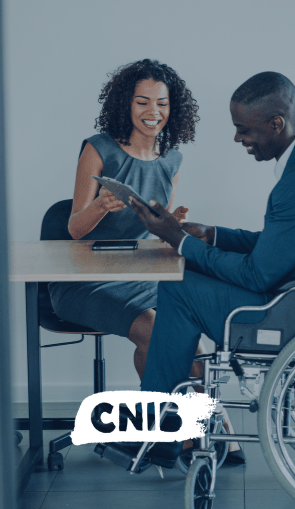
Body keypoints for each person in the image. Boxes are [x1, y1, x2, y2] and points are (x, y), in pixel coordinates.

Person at [129, 71, 295, 463]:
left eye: (244, 129)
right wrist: (212, 235)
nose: (239, 139)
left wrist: (180, 241)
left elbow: (258, 274)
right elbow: (285, 244)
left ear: (276, 123)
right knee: (187, 275)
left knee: (178, 287)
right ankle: (166, 429)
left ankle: (163, 431)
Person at [48, 59, 197, 380]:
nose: (152, 111)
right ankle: (168, 425)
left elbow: (156, 240)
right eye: (142, 102)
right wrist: (101, 205)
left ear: (174, 108)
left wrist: (172, 224)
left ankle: (198, 425)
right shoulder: (98, 149)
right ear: (125, 105)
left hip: (140, 275)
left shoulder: (173, 159)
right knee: (155, 331)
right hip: (85, 281)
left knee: (194, 343)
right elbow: (74, 229)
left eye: (162, 103)